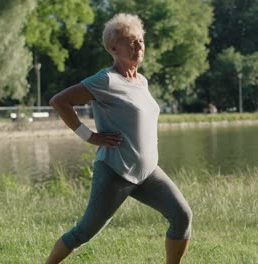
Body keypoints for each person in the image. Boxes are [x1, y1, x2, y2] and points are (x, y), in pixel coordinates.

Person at [46, 13, 192, 264]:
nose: (139, 47)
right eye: (132, 42)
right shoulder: (106, 80)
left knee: (182, 216)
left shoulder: (142, 82)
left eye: (141, 41)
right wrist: (89, 136)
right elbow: (59, 101)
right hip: (116, 171)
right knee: (84, 232)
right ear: (113, 48)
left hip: (147, 171)